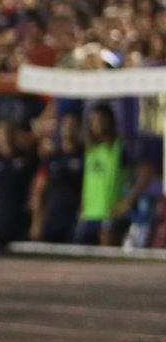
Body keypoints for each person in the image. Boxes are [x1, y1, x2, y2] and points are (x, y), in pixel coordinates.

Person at [75, 104, 131, 246]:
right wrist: (82, 205)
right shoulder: (91, 150)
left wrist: (129, 200)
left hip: (110, 215)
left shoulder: (120, 148)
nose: (95, 124)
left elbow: (146, 171)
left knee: (107, 260)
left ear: (109, 120)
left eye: (99, 119)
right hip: (89, 215)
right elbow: (87, 182)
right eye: (92, 120)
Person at [30, 112, 84, 243]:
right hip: (51, 217)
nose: (68, 129)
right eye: (65, 125)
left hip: (74, 219)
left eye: (72, 125)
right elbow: (39, 190)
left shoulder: (85, 157)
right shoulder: (51, 158)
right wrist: (36, 223)